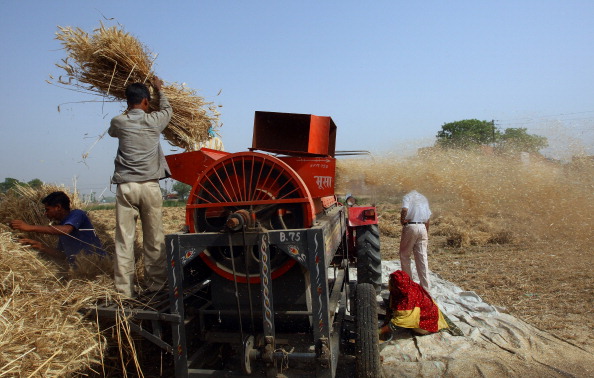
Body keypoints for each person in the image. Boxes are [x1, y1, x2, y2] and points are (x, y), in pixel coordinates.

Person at [108, 77, 172, 298]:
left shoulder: (119, 121)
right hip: (150, 188)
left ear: (128, 102)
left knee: (124, 240)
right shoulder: (155, 120)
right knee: (154, 240)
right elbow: (168, 109)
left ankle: (124, 292)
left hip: (126, 187)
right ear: (146, 101)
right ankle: (156, 286)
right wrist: (159, 90)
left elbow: (112, 132)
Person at [9, 191, 105, 264]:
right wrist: (40, 246)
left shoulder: (77, 214)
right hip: (82, 267)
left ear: (58, 207)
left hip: (97, 263)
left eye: (47, 209)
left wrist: (29, 227)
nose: (45, 213)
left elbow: (66, 230)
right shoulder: (61, 227)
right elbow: (62, 255)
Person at [380, 270, 448, 335]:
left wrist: (379, 331)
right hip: (430, 313)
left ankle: (420, 330)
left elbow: (399, 322)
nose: (388, 283)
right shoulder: (407, 286)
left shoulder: (407, 301)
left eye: (390, 282)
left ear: (395, 287)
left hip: (426, 325)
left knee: (407, 322)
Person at [399, 190, 432, 292]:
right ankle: (426, 289)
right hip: (422, 226)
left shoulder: (407, 196)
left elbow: (405, 209)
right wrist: (425, 232)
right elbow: (428, 217)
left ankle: (409, 286)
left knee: (404, 255)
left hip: (411, 226)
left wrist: (402, 220)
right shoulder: (423, 197)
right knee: (422, 258)